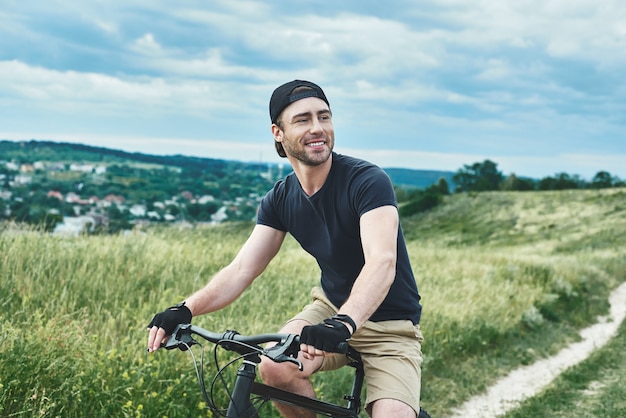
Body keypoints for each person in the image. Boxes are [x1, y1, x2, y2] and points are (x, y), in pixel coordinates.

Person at [147, 80, 424, 418]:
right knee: (274, 365)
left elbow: (382, 262)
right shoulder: (280, 198)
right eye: (303, 119)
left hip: (390, 327)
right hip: (329, 310)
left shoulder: (367, 180)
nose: (318, 128)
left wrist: (344, 324)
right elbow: (242, 269)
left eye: (324, 117)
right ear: (278, 132)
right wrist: (186, 309)